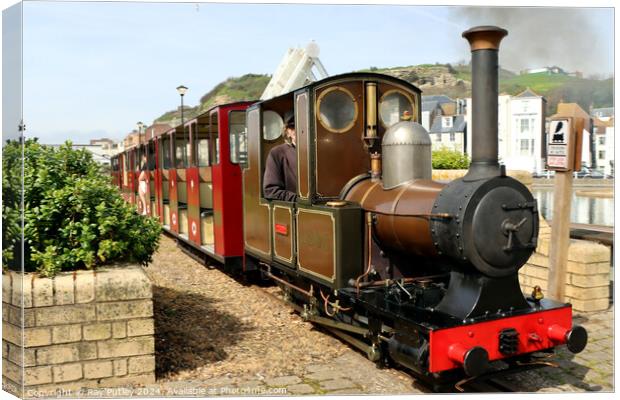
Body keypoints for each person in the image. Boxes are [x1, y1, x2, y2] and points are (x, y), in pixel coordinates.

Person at [263, 112, 297, 202]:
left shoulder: (320, 152)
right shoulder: (277, 153)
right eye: (293, 127)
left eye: (303, 124)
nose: (298, 130)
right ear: (287, 131)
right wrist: (299, 199)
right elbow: (270, 191)